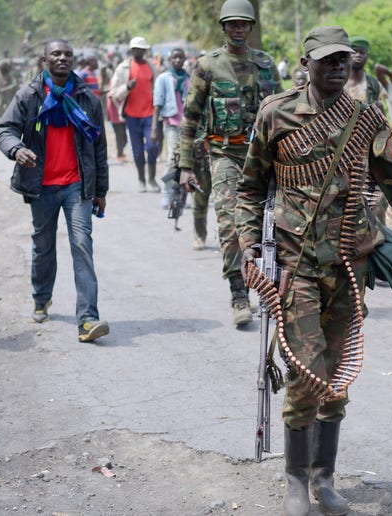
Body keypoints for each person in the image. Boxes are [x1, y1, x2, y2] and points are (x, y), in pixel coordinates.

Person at [236, 26, 392, 516]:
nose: (338, 66)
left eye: (344, 59)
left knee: (338, 373)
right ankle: (296, 479)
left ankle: (324, 477)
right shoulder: (276, 113)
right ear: (307, 62)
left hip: (348, 263)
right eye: (327, 60)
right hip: (294, 268)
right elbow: (250, 188)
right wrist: (250, 247)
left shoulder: (366, 117)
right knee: (305, 371)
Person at [0, 38, 110, 343]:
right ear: (43, 60)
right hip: (41, 186)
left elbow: (99, 146)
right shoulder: (30, 95)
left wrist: (101, 190)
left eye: (67, 54)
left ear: (73, 60)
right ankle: (41, 297)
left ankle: (88, 319)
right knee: (43, 246)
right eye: (55, 54)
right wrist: (16, 148)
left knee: (82, 246)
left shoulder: (87, 97)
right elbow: (5, 129)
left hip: (77, 186)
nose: (62, 58)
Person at [178, 0, 282, 326]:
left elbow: (282, 113)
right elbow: (190, 117)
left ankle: (272, 284)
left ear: (251, 27)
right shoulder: (208, 66)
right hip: (224, 155)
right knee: (229, 224)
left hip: (264, 158)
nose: (238, 29)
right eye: (232, 24)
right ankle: (239, 295)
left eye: (244, 24)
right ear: (223, 28)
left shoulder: (266, 65)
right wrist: (184, 165)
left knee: (274, 224)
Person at [111, 36, 159, 192]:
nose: (140, 52)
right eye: (137, 49)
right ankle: (141, 180)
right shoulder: (123, 68)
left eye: (142, 50)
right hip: (132, 116)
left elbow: (158, 89)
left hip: (150, 114)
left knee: (153, 147)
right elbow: (114, 93)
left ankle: (152, 178)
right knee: (138, 151)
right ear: (132, 50)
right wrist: (128, 87)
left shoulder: (152, 67)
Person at [152, 47, 191, 208]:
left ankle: (181, 196)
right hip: (172, 124)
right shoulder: (163, 78)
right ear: (170, 60)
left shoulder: (189, 78)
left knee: (187, 162)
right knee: (171, 161)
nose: (177, 60)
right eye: (174, 57)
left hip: (188, 126)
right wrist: (154, 127)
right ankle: (166, 194)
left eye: (180, 57)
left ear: (184, 59)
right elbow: (157, 104)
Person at [345, 36, 384, 109]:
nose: (358, 55)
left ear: (367, 56)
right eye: (354, 52)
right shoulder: (337, 81)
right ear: (347, 55)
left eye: (362, 52)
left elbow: (380, 114)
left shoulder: (374, 84)